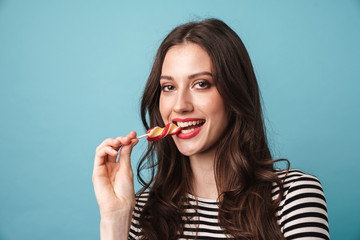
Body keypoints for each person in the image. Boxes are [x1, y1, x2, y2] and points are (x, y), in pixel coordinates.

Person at [93, 19, 329, 240]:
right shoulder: (141, 212)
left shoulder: (292, 197)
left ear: (235, 93)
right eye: (169, 87)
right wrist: (115, 218)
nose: (180, 105)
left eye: (201, 84)